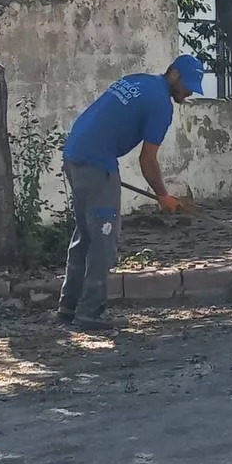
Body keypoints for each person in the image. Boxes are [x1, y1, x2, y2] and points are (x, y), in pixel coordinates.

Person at [58, 54, 204, 332]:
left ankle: (67, 308)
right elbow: (147, 160)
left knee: (85, 235)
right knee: (103, 238)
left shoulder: (137, 81)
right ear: (173, 73)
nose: (188, 93)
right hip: (97, 163)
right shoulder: (161, 105)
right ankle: (90, 314)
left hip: (75, 154)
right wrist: (163, 195)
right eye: (188, 85)